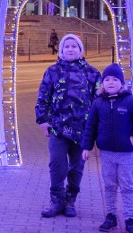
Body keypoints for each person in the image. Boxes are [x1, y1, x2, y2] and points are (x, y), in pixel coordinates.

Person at [35, 34, 101, 218]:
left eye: (74, 46)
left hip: (83, 130)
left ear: (80, 50)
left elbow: (98, 102)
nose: (70, 49)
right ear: (61, 50)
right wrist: (42, 120)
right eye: (67, 46)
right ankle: (57, 200)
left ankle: (70, 200)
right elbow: (43, 97)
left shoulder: (92, 73)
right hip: (58, 128)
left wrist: (95, 127)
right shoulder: (52, 71)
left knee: (77, 166)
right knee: (57, 164)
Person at [82, 63, 133, 233]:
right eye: (107, 80)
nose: (110, 83)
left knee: (127, 186)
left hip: (127, 153)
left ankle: (130, 220)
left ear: (121, 83)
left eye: (114, 80)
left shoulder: (131, 102)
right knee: (110, 186)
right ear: (102, 84)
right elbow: (91, 126)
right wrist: (86, 147)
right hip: (107, 153)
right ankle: (111, 216)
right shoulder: (98, 103)